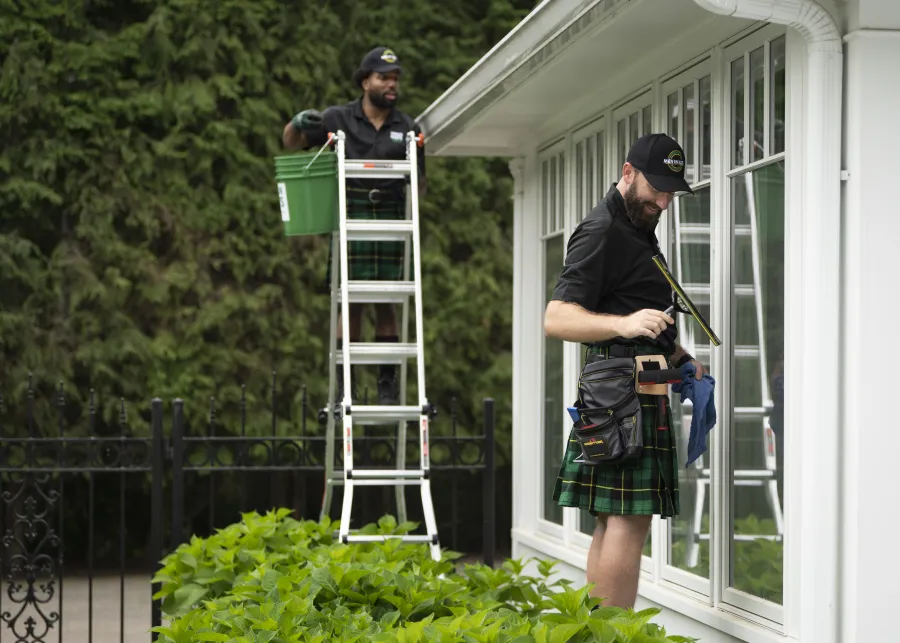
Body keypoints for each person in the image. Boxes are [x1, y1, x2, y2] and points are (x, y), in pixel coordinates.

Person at [544, 133, 707, 609]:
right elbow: (557, 318)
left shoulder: (637, 227)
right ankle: (614, 636)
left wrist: (680, 358)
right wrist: (625, 323)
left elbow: (637, 306)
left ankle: (599, 633)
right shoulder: (602, 231)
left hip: (635, 384)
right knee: (627, 519)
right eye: (656, 187)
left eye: (671, 191)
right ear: (627, 171)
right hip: (624, 392)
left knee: (612, 516)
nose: (664, 200)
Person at [282, 46, 426, 405]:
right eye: (383, 78)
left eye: (395, 79)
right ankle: (344, 386)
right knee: (352, 303)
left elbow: (420, 183)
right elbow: (291, 144)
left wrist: (411, 213)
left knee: (388, 302)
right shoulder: (337, 118)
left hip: (392, 214)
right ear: (365, 82)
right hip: (352, 213)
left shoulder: (408, 128)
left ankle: (386, 387)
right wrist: (298, 123)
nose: (391, 85)